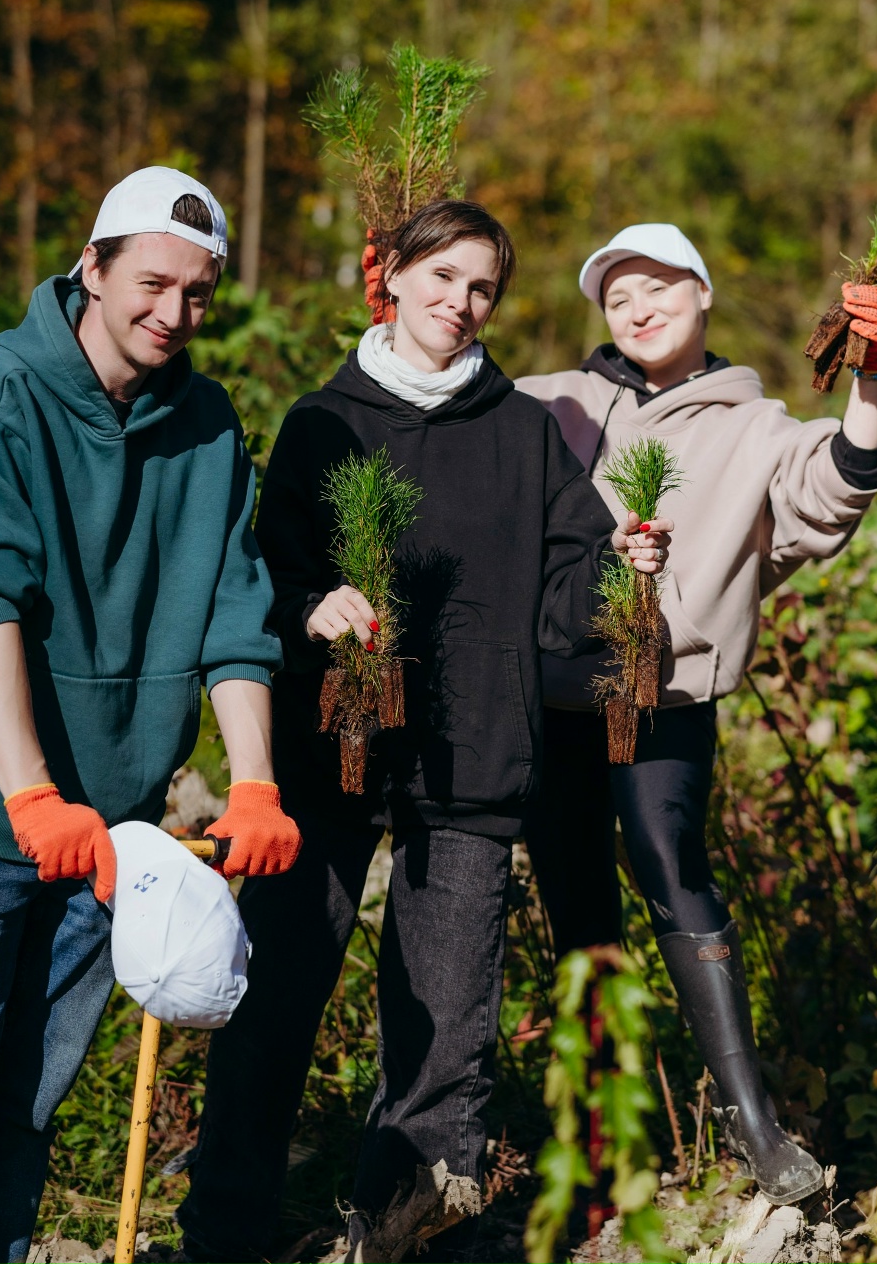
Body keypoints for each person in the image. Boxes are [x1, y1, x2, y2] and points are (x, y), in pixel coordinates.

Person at [176, 199, 673, 1264]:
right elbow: (270, 576)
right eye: (442, 278)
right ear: (392, 275)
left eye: (482, 287)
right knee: (275, 998)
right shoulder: (324, 422)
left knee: (449, 1036)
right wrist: (315, 607)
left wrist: (624, 574)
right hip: (329, 753)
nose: (460, 303)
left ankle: (403, 1234)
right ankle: (225, 1230)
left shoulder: (522, 432)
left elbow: (565, 594)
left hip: (474, 765)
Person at [0, 166, 302, 1264]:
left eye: (200, 293)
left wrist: (252, 778)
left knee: (24, 1122)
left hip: (109, 834)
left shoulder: (207, 426)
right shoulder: (0, 391)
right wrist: (27, 790)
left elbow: (234, 616)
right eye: (153, 282)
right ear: (94, 266)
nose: (174, 313)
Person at [517, 222, 877, 1205]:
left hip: (666, 695)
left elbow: (831, 488)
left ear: (704, 293)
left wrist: (870, 378)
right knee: (577, 906)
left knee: (669, 864)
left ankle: (754, 1128)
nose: (641, 310)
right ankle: (601, 1137)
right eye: (620, 296)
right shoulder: (552, 400)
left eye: (661, 289)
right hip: (554, 692)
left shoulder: (753, 425)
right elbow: (439, 412)